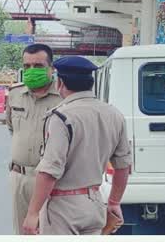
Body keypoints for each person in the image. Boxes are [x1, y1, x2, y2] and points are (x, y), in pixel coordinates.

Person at [22, 56, 132, 235]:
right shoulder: (114, 114)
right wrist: (114, 202)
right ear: (91, 83)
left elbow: (50, 170)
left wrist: (33, 213)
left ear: (60, 83)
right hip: (95, 204)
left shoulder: (61, 117)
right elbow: (124, 166)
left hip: (63, 208)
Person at [5, 44, 63, 234]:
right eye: (27, 66)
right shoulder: (15, 94)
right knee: (23, 232)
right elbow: (12, 128)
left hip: (52, 181)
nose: (31, 71)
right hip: (19, 177)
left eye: (38, 66)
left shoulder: (63, 98)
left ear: (51, 69)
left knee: (50, 233)